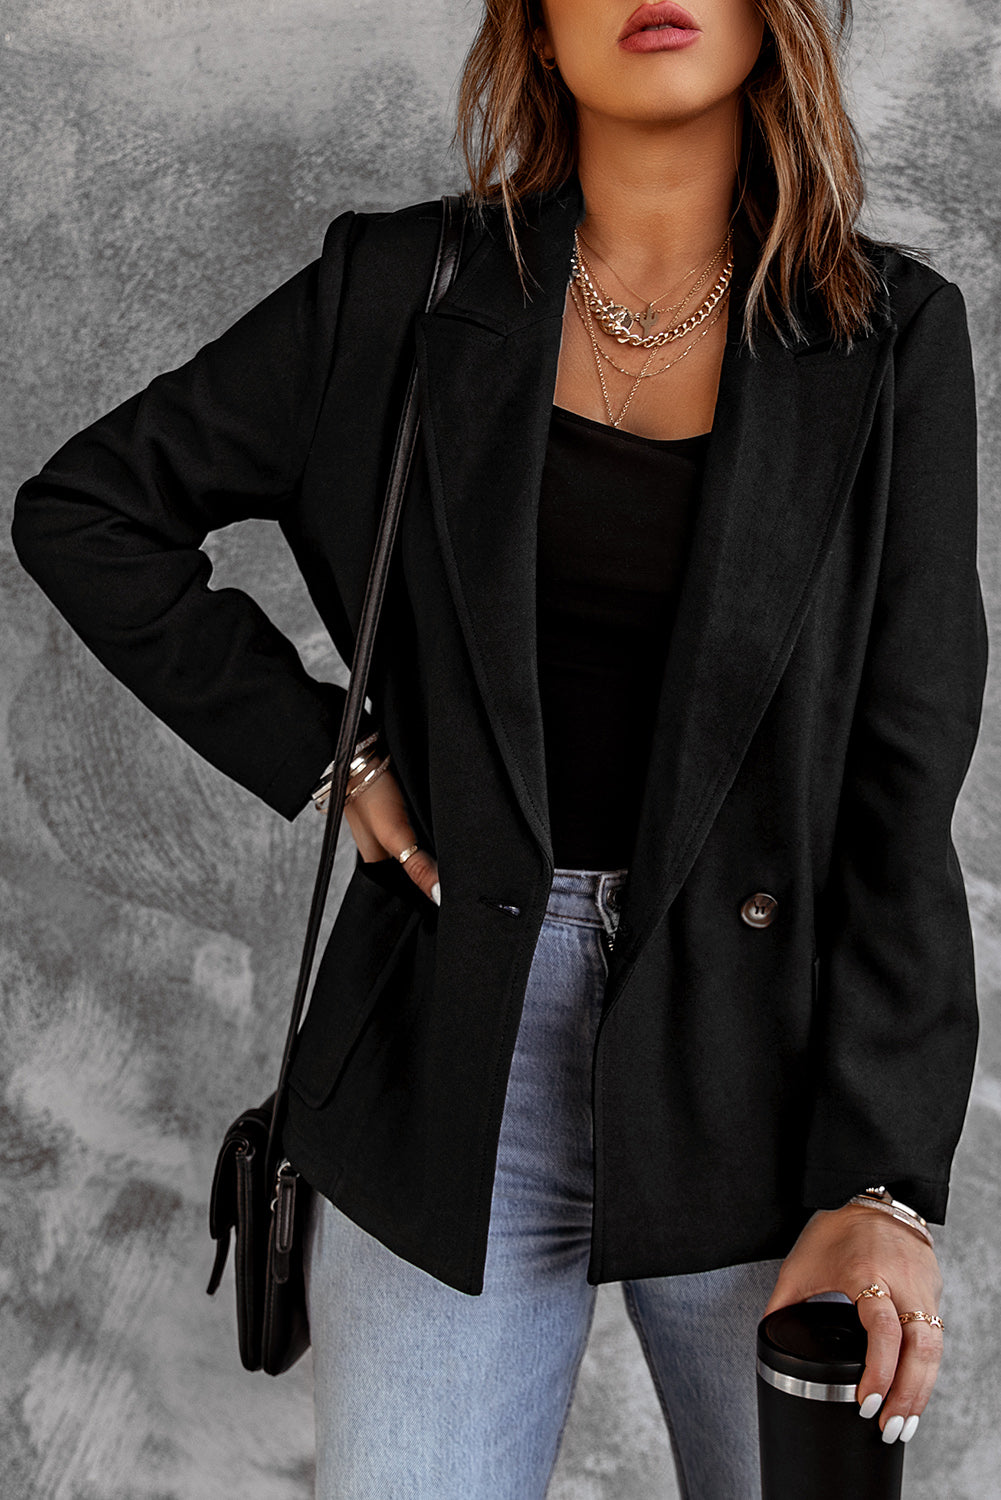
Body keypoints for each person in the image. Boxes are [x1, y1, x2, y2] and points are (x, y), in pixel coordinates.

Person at [10, 0, 988, 1495]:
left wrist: (883, 1181)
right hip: (449, 1048)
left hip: (765, 1078)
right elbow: (89, 513)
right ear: (532, 25)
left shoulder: (885, 334)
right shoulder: (397, 291)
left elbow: (899, 789)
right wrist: (335, 758)